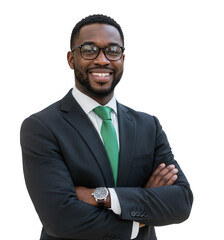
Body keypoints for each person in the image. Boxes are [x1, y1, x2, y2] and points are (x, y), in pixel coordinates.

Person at [20, 14, 193, 240]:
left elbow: (181, 202)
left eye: (112, 50)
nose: (102, 60)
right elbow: (60, 218)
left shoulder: (148, 126)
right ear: (71, 59)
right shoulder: (42, 127)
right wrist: (140, 213)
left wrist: (103, 196)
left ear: (122, 58)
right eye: (89, 49)